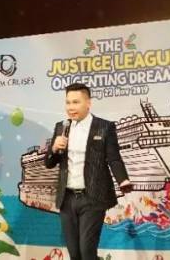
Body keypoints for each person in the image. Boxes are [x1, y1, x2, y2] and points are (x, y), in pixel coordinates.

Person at [44, 83, 131, 260]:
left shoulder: (104, 127)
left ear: (88, 103)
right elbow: (49, 163)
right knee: (74, 253)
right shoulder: (61, 127)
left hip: (92, 197)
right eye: (68, 102)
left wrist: (123, 180)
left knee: (87, 251)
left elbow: (114, 158)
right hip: (67, 198)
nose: (70, 107)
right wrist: (53, 148)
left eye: (75, 102)